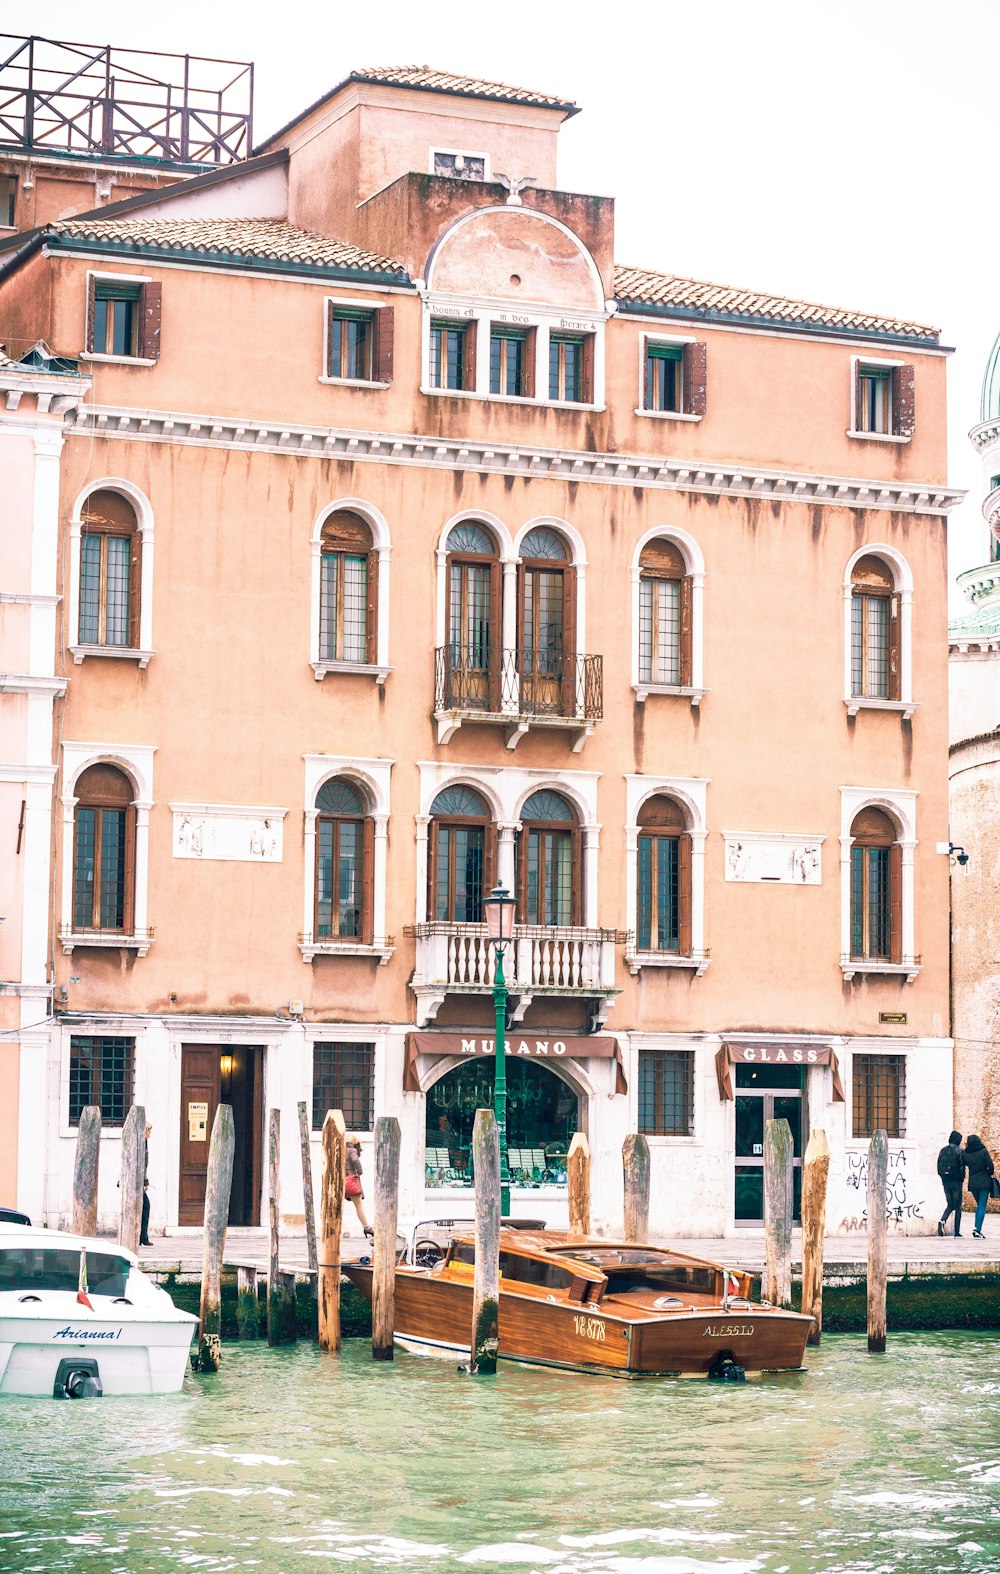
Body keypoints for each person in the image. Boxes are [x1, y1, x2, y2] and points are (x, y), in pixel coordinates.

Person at [963, 1134, 996, 1239]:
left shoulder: (966, 1153)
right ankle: (977, 1230)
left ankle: (977, 1228)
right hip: (984, 1182)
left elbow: (965, 1164)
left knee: (980, 1206)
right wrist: (988, 1172)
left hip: (973, 1182)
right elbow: (990, 1166)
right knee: (981, 1206)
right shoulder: (983, 1151)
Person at [936, 1129, 965, 1237]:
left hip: (945, 1181)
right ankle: (957, 1232)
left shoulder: (943, 1150)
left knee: (950, 1204)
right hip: (956, 1181)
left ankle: (942, 1220)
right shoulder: (959, 1151)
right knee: (957, 1207)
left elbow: (938, 1166)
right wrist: (962, 1178)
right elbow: (961, 1167)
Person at [345, 1137, 373, 1237]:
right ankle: (366, 1227)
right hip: (350, 1180)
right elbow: (355, 1159)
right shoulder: (352, 1150)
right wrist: (359, 1171)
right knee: (358, 1204)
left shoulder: (342, 1149)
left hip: (341, 1180)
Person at [140, 1122, 153, 1246]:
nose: (149, 1135)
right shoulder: (139, 1144)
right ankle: (142, 1237)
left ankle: (142, 1236)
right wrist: (145, 1182)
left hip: (139, 1182)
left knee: (144, 1207)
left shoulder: (144, 1143)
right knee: (145, 1206)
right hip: (136, 1182)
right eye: (148, 1132)